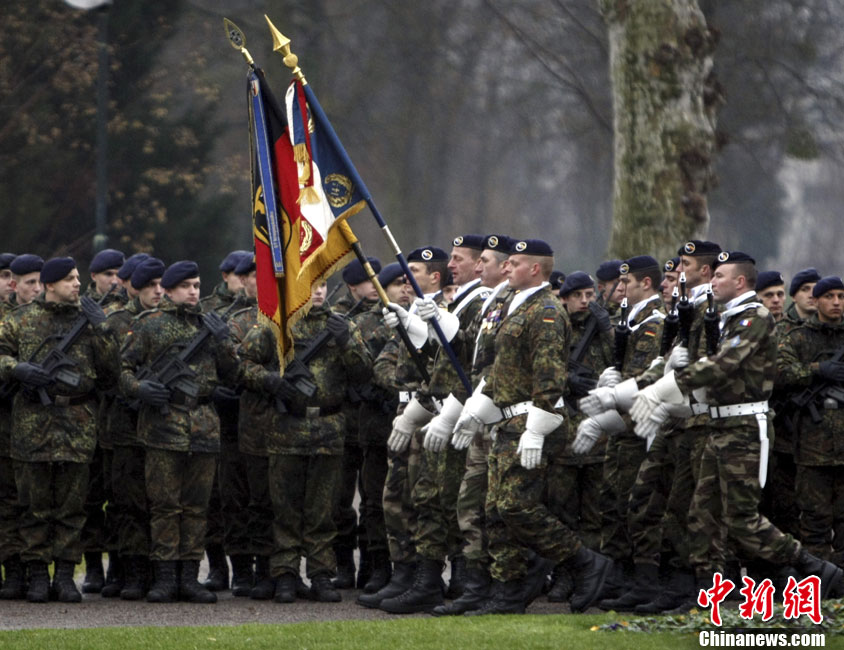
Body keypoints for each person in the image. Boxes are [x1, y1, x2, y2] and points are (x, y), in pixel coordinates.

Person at [632, 251, 844, 601]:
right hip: (720, 426)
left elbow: (722, 365)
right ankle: (708, 594)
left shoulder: (754, 317)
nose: (712, 282)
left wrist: (663, 388)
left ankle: (820, 571)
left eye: (720, 277)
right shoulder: (727, 316)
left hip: (745, 428)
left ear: (740, 282)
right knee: (703, 516)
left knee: (743, 519)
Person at [469, 239, 611, 615]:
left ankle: (583, 561)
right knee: (496, 510)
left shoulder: (546, 310)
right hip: (506, 419)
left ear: (535, 269)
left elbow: (550, 378)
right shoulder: (513, 305)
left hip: (532, 420)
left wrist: (536, 429)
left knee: (516, 505)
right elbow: (503, 368)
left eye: (513, 263)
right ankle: (508, 588)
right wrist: (478, 409)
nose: (505, 268)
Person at [378, 234, 489, 614]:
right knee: (426, 499)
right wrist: (410, 323)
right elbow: (435, 358)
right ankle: (425, 578)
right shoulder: (454, 303)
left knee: (451, 502)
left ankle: (459, 580)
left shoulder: (477, 303)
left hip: (457, 413)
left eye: (459, 258)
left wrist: (446, 414)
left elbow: (468, 365)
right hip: (434, 410)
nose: (452, 264)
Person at [241, 281, 371, 603]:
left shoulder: (342, 325)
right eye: (310, 286)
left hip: (328, 425)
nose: (318, 292)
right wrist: (272, 381)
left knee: (323, 508)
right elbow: (243, 365)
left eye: (323, 285)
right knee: (284, 506)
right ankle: (285, 574)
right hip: (287, 425)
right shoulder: (275, 324)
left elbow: (364, 372)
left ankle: (321, 575)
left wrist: (346, 342)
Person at [120, 260, 241, 604]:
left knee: (196, 507)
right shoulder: (148, 326)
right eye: (186, 286)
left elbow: (234, 374)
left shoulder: (212, 325)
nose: (193, 292)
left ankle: (189, 576)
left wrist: (224, 341)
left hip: (202, 423)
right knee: (164, 506)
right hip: (163, 426)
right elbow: (123, 371)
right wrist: (141, 388)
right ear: (169, 291)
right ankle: (164, 577)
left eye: (197, 285)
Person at [0, 257, 112, 603]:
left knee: (72, 507)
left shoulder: (89, 323)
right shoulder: (20, 320)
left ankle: (64, 575)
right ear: (49, 285)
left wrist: (104, 330)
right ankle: (36, 575)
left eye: (78, 278)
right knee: (33, 506)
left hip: (77, 423)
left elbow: (111, 372)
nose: (77, 284)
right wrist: (18, 369)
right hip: (32, 424)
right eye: (69, 280)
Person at [358, 246, 448, 610]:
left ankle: (428, 579)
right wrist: (399, 384)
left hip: (429, 412)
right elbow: (385, 362)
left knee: (424, 500)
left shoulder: (442, 314)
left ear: (433, 277)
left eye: (413, 271)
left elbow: (443, 368)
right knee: (394, 499)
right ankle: (404, 573)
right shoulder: (409, 315)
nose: (407, 281)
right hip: (403, 409)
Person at [546, 270, 613, 602]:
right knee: (561, 509)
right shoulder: (555, 326)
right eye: (579, 296)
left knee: (595, 511)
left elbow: (622, 362)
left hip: (597, 431)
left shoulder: (602, 329)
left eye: (590, 295)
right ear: (565, 298)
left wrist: (608, 328)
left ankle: (594, 577)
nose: (586, 301)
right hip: (564, 433)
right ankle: (564, 573)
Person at [103, 257, 166, 600]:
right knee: (128, 502)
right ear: (134, 288)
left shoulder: (167, 321)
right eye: (150, 286)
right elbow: (101, 373)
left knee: (160, 501)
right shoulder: (115, 323)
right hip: (125, 428)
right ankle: (132, 570)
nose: (157, 291)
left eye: (161, 285)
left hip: (161, 427)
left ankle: (162, 570)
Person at [347, 262, 412, 595]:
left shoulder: (418, 320)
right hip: (376, 425)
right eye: (397, 283)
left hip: (414, 422)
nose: (405, 288)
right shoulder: (361, 323)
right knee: (374, 500)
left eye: (407, 282)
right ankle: (378, 564)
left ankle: (411, 565)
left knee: (412, 498)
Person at [777, 276, 844, 566]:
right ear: (816, 301)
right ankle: (819, 579)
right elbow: (779, 373)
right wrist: (818, 370)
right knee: (814, 519)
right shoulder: (798, 337)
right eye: (829, 296)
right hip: (811, 447)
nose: (837, 303)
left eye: (841, 296)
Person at [332, 256, 382, 590]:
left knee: (372, 498)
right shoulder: (336, 319)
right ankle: (343, 565)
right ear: (352, 287)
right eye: (368, 280)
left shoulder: (384, 314)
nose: (374, 285)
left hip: (372, 422)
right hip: (342, 422)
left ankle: (370, 564)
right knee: (338, 499)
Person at [80, 247, 126, 595]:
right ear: (93, 277)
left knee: (120, 494)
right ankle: (93, 565)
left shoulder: (127, 312)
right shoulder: (79, 309)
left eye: (119, 275)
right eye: (108, 275)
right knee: (90, 497)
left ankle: (119, 565)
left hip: (118, 416)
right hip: (84, 415)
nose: (114, 281)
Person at [784, 267, 822, 332]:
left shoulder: (830, 324)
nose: (812, 295)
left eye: (816, 289)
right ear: (793, 297)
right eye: (805, 290)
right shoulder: (781, 328)